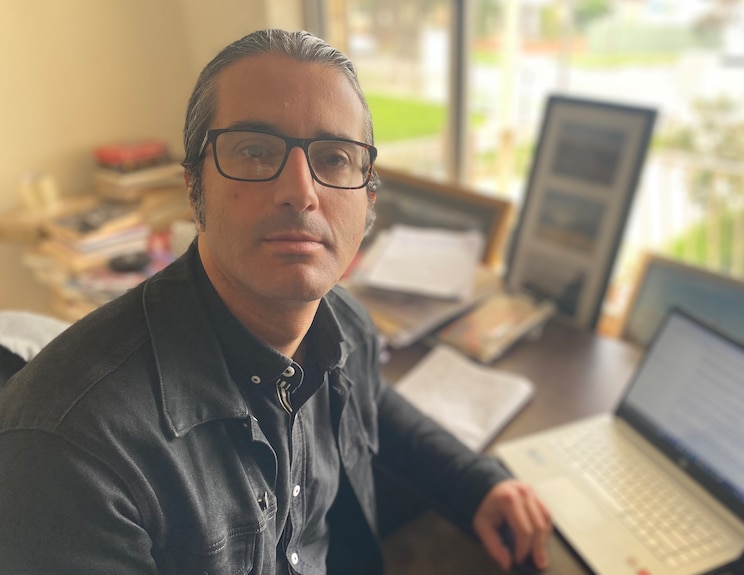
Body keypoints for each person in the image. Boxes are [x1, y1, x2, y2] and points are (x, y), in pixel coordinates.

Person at [0, 29, 551, 574]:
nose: (301, 191)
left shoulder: (345, 324)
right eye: (255, 151)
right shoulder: (70, 455)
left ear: (369, 200)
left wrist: (476, 482)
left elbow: (372, 402)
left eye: (334, 158)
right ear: (194, 189)